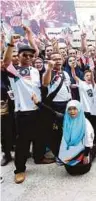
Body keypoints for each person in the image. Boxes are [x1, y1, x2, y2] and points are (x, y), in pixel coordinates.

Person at [2, 40, 52, 184]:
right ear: (19, 56)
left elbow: (43, 85)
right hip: (23, 112)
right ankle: (19, 170)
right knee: (23, 142)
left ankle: (39, 157)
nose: (29, 58)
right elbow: (6, 62)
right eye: (25, 55)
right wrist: (10, 45)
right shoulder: (14, 71)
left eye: (31, 56)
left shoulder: (35, 71)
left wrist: (48, 69)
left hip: (38, 110)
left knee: (40, 137)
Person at [32, 96, 95, 175]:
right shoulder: (66, 120)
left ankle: (92, 151)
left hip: (83, 151)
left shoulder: (85, 123)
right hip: (70, 152)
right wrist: (38, 103)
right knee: (71, 171)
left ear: (79, 109)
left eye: (74, 109)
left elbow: (88, 141)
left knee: (83, 168)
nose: (72, 111)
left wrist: (86, 155)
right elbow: (52, 113)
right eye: (70, 109)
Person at [70, 61, 96, 145]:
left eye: (90, 75)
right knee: (88, 126)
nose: (89, 77)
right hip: (86, 109)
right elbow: (74, 76)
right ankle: (89, 140)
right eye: (87, 75)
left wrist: (92, 71)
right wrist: (73, 67)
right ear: (84, 77)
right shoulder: (81, 83)